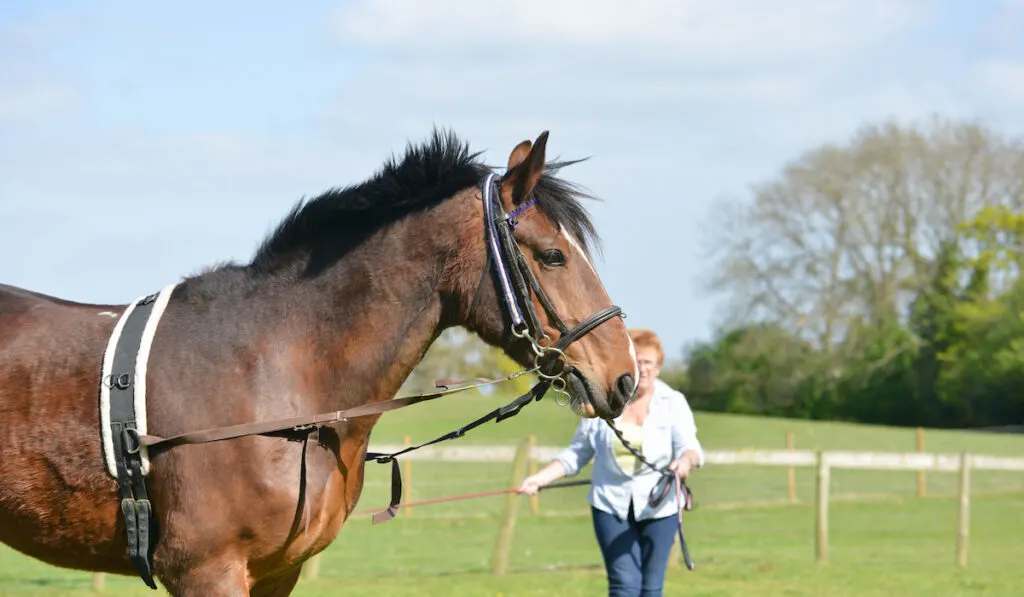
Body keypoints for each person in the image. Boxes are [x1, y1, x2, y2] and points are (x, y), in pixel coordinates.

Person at [519, 328, 704, 597]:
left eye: (649, 362)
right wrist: (539, 478)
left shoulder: (673, 402)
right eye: (638, 361)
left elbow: (691, 447)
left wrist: (685, 462)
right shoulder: (604, 401)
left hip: (659, 508)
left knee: (651, 589)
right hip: (610, 504)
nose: (644, 368)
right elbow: (576, 454)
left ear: (659, 367)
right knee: (624, 585)